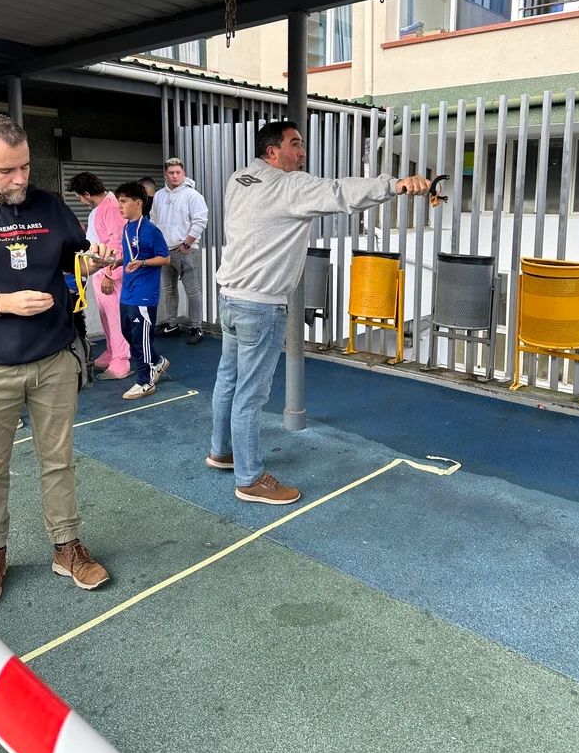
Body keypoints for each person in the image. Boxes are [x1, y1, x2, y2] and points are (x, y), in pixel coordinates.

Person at [207, 120, 441, 506]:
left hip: (230, 299)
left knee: (228, 382)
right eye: (295, 144)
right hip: (260, 306)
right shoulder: (290, 187)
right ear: (272, 152)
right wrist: (395, 185)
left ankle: (220, 452)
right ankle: (249, 479)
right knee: (250, 395)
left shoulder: (240, 178)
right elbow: (340, 192)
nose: (302, 152)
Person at [0, 113, 112, 606]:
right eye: (6, 170)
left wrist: (95, 261)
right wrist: (2, 303)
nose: (20, 179)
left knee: (58, 461)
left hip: (52, 359)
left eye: (25, 167)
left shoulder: (49, 205)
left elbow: (74, 260)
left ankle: (67, 546)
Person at [66, 173, 131, 380]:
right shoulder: (100, 208)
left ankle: (121, 359)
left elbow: (118, 244)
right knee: (106, 316)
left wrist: (110, 275)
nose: (80, 201)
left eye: (79, 197)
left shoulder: (111, 207)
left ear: (87, 194)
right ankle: (112, 352)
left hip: (109, 271)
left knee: (115, 317)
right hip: (99, 269)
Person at [113, 183, 171, 400]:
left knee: (140, 339)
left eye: (123, 201)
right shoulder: (126, 228)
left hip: (144, 293)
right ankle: (157, 361)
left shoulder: (151, 230)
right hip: (127, 291)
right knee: (128, 333)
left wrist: (143, 263)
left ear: (138, 203)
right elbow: (132, 255)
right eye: (118, 201)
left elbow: (165, 258)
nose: (119, 206)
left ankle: (145, 381)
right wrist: (118, 261)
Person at [151, 157, 208, 343]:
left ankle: (197, 327)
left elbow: (201, 220)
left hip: (184, 251)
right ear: (165, 175)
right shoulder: (159, 195)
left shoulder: (192, 195)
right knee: (168, 290)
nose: (175, 176)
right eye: (171, 173)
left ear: (183, 173)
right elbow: (153, 220)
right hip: (163, 252)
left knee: (192, 291)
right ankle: (172, 324)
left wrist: (187, 244)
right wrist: (155, 244)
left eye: (178, 172)